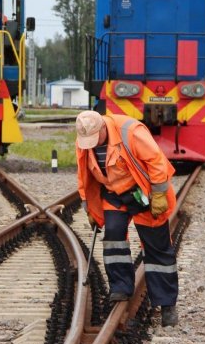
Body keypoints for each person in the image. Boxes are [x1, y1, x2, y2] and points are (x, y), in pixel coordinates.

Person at [75, 110, 179, 327]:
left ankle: (167, 304)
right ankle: (120, 288)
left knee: (156, 247)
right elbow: (83, 175)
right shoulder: (84, 139)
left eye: (96, 140)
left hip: (143, 193)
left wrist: (159, 194)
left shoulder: (130, 131)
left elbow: (157, 161)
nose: (92, 145)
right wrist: (89, 208)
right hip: (113, 194)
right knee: (113, 236)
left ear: (103, 127)